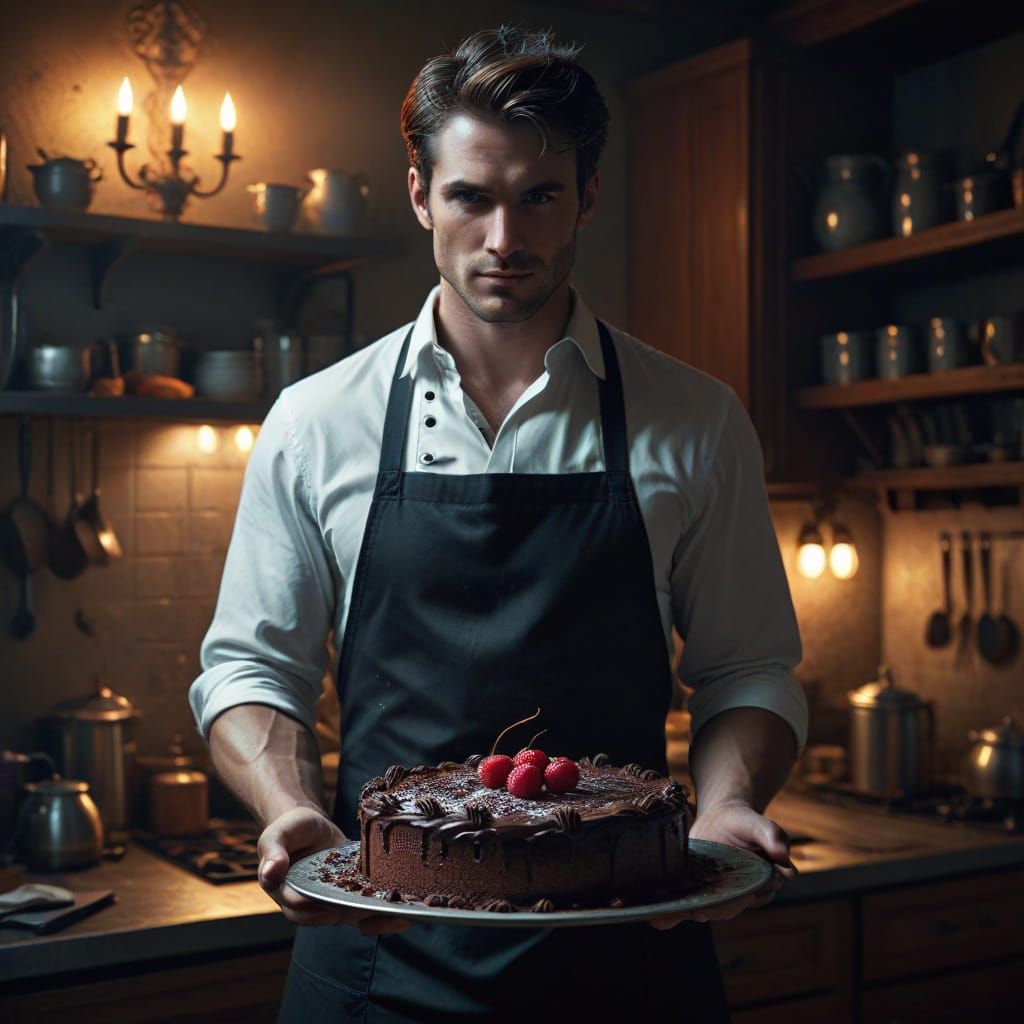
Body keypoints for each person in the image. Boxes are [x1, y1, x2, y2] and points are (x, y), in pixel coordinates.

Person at [189, 24, 806, 1023]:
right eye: (471, 197)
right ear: (420, 194)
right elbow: (252, 669)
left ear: (588, 197)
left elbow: (747, 668)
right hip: (374, 959)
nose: (505, 241)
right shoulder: (316, 421)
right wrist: (289, 808)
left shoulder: (696, 419)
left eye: (539, 197)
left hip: (632, 955)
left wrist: (732, 802)